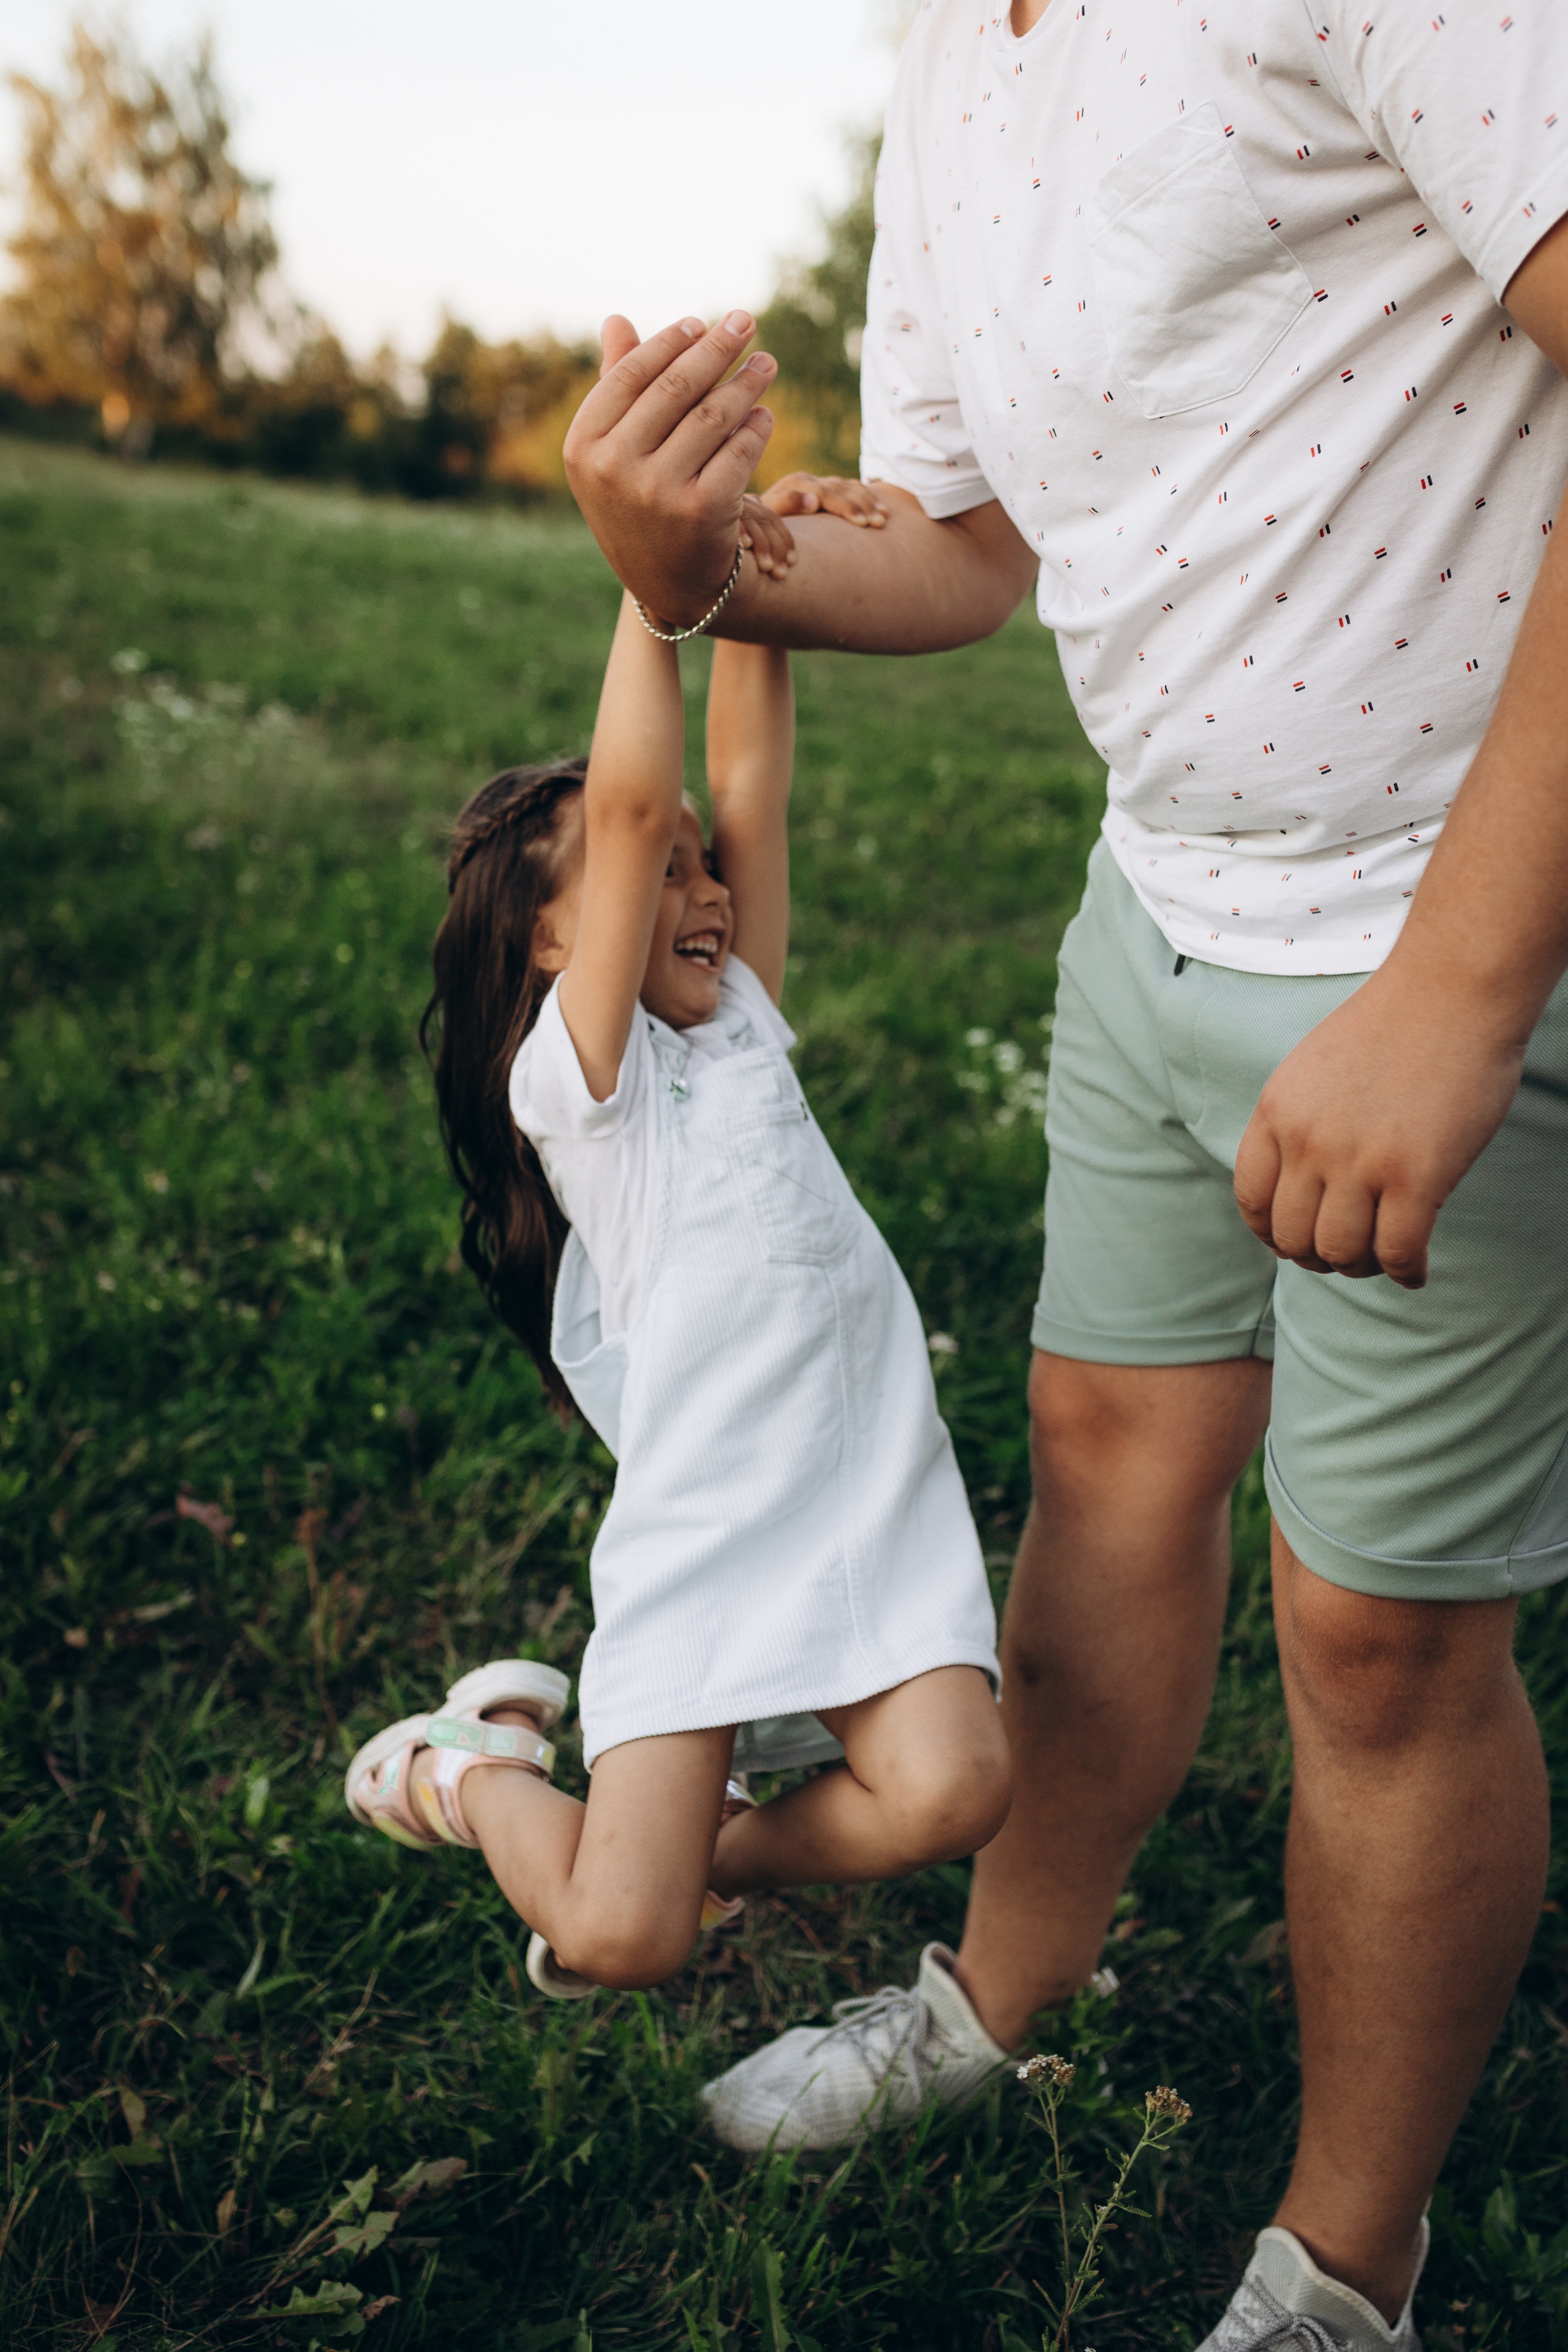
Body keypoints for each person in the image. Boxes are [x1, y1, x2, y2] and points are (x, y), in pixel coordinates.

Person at [559, 3, 1568, 2344]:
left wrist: (1454, 992)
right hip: (1158, 913)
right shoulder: (954, 48)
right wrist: (693, 565)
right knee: (1105, 1470)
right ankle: (1005, 1999)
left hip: (1462, 927)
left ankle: (1345, 2269)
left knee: (1385, 1636)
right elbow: (970, 545)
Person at [341, 473, 1010, 2003]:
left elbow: (741, 784)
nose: (702, 891)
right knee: (612, 1940)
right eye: (660, 879)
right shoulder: (588, 1093)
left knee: (954, 1790)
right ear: (552, 941)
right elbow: (637, 803)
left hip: (864, 1497)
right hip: (708, 1536)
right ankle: (468, 1771)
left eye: (705, 875)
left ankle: (708, 1843)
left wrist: (744, 585)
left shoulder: (740, 1023)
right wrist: (652, 584)